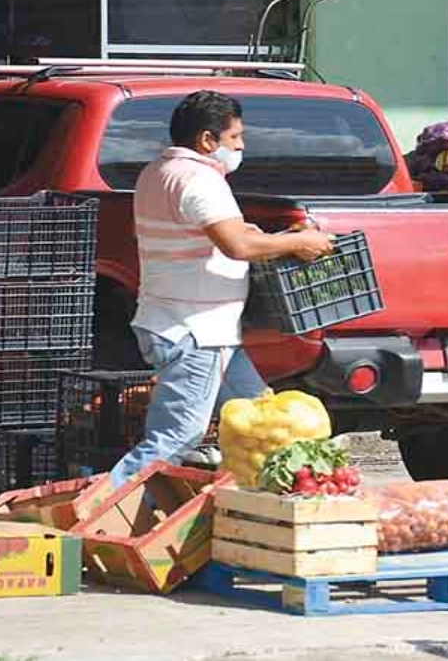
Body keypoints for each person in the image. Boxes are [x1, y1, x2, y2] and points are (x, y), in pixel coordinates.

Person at [109, 90, 334, 488]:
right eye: (235, 138)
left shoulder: (156, 172)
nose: (241, 146)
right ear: (207, 141)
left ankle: (259, 504)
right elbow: (239, 245)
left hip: (184, 325)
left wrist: (280, 236)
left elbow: (228, 233)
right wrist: (299, 243)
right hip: (197, 331)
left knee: (264, 420)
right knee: (177, 436)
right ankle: (100, 511)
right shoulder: (201, 180)